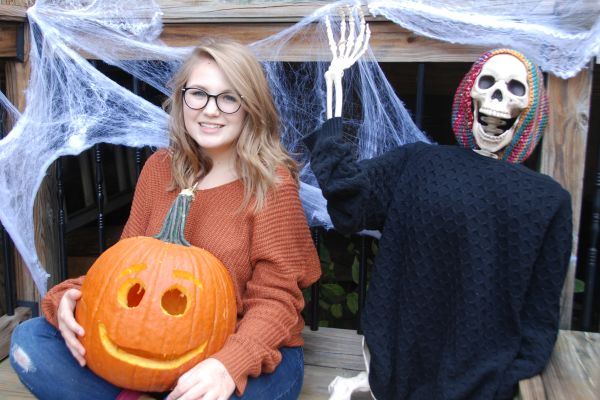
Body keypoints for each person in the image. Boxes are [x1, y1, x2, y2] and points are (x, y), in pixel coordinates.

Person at [10, 37, 321, 400]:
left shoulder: (272, 183)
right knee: (33, 339)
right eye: (198, 94)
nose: (210, 110)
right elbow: (124, 268)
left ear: (249, 106)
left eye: (229, 97)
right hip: (156, 348)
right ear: (181, 98)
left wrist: (227, 365)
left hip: (244, 348)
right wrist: (69, 296)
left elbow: (277, 300)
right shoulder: (160, 169)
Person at [305, 9, 572, 400]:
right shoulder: (419, 162)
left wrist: (508, 378)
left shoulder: (549, 201)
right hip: (395, 366)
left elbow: (539, 315)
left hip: (484, 381)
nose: (498, 98)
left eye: (515, 89)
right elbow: (351, 204)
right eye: (488, 83)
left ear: (531, 110)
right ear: (470, 95)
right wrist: (335, 90)